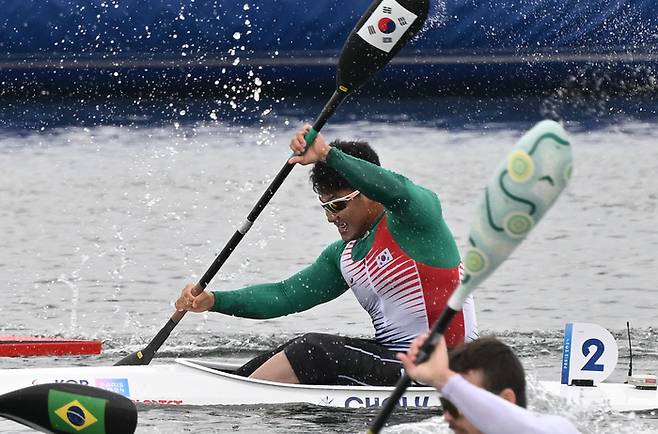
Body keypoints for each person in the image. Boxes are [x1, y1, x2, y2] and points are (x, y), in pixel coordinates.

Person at [175, 124, 477, 385]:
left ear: (369, 191)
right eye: (325, 206)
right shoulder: (343, 257)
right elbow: (285, 295)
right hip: (398, 363)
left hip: (451, 367)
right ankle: (234, 387)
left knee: (314, 350)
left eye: (337, 204)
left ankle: (233, 396)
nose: (331, 217)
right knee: (296, 346)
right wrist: (214, 301)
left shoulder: (416, 222)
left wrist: (329, 155)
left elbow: (398, 190)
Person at [398, 334, 580, 434]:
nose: (448, 417)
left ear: (507, 400)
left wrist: (444, 379)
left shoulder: (558, 428)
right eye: (447, 404)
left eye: (462, 403)